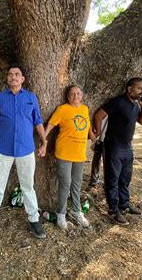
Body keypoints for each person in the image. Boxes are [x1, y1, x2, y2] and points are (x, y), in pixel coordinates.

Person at [0, 63, 47, 240]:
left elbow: (38, 122)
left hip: (26, 150)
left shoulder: (31, 98)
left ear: (22, 79)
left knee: (28, 187)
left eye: (17, 74)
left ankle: (34, 219)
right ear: (7, 79)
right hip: (3, 150)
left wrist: (44, 142)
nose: (13, 77)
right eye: (10, 75)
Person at [93, 77, 142, 225]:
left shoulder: (136, 105)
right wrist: (97, 132)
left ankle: (124, 205)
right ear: (129, 88)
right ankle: (113, 210)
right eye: (139, 88)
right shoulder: (118, 102)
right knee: (113, 179)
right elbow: (99, 115)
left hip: (128, 147)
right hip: (114, 146)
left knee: (125, 178)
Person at [44, 85, 96, 229]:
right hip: (64, 153)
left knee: (76, 184)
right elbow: (50, 125)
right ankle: (61, 214)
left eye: (78, 93)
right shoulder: (62, 109)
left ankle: (76, 211)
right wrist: (43, 140)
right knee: (65, 183)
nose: (75, 96)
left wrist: (92, 136)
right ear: (68, 96)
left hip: (79, 153)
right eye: (72, 94)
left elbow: (87, 125)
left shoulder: (84, 109)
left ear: (82, 95)